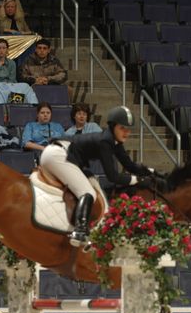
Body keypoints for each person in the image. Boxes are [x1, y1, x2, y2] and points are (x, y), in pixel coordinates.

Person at [39, 105, 153, 245]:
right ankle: (80, 231)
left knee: (91, 180)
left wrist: (151, 172)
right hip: (58, 154)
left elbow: (129, 165)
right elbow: (113, 176)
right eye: (122, 128)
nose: (126, 133)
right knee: (87, 192)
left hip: (59, 153)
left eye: (128, 129)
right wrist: (138, 180)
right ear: (112, 127)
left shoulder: (113, 142)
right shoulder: (105, 142)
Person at [0, 38, 37, 104]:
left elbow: (12, 79)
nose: (1, 50)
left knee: (26, 86)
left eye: (4, 48)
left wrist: (8, 85)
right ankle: (0, 107)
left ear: (7, 49)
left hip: (10, 85)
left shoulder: (12, 63)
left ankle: (33, 105)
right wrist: (3, 84)